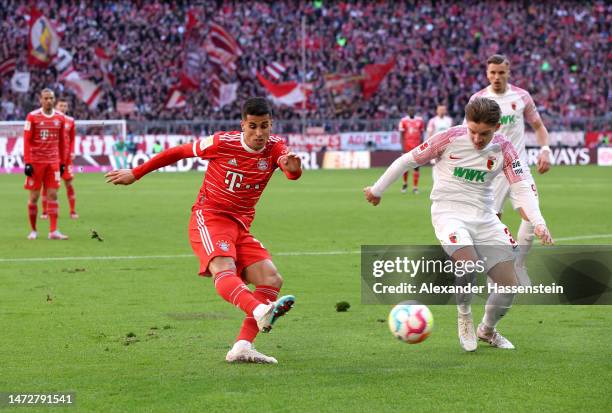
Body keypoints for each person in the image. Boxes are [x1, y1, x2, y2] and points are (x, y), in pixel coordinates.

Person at [106, 97, 302, 364]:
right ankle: (259, 310)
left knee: (271, 278)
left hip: (240, 225)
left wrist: (294, 169)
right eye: (253, 126)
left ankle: (243, 346)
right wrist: (137, 173)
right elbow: (177, 153)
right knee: (223, 267)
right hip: (209, 216)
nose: (259, 133)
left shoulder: (275, 146)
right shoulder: (222, 142)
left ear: (271, 124)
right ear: (242, 124)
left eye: (264, 126)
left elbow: (289, 169)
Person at [364, 97, 553, 351]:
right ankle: (464, 315)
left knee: (510, 285)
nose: (477, 139)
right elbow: (407, 160)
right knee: (468, 264)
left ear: (497, 128)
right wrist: (377, 190)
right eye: (473, 131)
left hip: (484, 217)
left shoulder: (504, 149)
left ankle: (487, 330)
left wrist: (539, 223)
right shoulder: (448, 138)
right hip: (448, 212)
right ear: (467, 124)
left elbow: (522, 188)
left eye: (484, 134)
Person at [469, 54, 551, 283]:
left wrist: (545, 149)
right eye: (492, 73)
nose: (496, 77)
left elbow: (538, 125)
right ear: (487, 74)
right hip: (489, 171)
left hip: (518, 167)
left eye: (501, 72)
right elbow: (469, 134)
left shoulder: (521, 96)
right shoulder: (478, 99)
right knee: (492, 221)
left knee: (532, 216)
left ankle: (519, 266)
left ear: (508, 72)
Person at [23, 88, 69, 240]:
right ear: (40, 100)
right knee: (34, 197)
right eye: (46, 98)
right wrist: (27, 162)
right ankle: (33, 230)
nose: (49, 101)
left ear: (54, 100)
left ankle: (53, 231)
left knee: (53, 195)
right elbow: (27, 140)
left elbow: (63, 142)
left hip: (53, 162)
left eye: (51, 98)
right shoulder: (32, 117)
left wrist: (62, 162)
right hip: (36, 163)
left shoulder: (60, 118)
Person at [41, 99, 78, 220]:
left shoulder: (71, 121)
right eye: (61, 105)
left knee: (69, 183)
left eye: (65, 106)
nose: (63, 107)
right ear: (56, 106)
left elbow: (72, 139)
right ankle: (45, 211)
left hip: (66, 159)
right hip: (53, 158)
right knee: (48, 185)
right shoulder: (50, 119)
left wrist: (72, 151)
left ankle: (72, 211)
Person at [398, 107, 425, 194]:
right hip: (406, 147)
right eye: (410, 111)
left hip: (416, 147)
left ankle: (415, 187)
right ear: (408, 112)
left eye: (413, 110)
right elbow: (401, 134)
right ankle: (405, 184)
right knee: (405, 167)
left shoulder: (420, 121)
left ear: (415, 111)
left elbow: (422, 134)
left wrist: (422, 145)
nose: (411, 112)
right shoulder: (403, 121)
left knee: (416, 167)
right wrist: (402, 146)